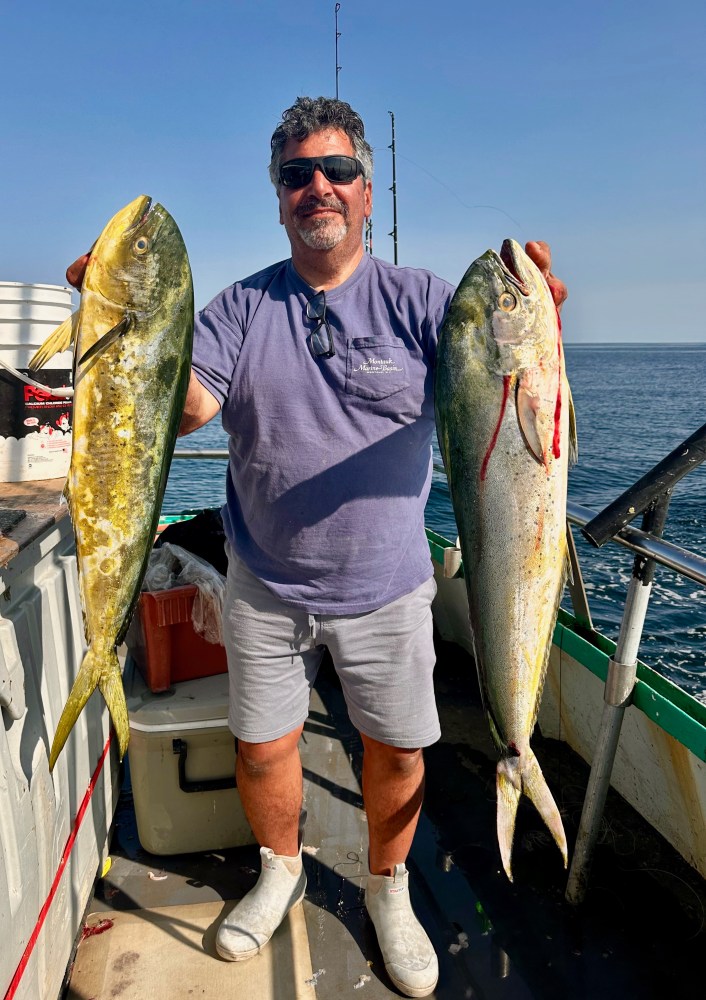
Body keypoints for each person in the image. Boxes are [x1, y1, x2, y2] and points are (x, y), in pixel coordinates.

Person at [67, 96, 566, 998]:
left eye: (337, 171)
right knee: (262, 747)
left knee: (399, 751)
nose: (318, 188)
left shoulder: (424, 302)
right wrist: (130, 338)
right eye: (298, 175)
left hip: (388, 585)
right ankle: (280, 870)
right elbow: (188, 411)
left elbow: (499, 385)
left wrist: (537, 332)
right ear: (279, 196)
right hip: (263, 579)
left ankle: (387, 889)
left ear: (366, 193)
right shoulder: (240, 307)